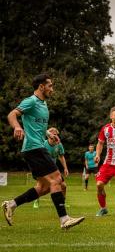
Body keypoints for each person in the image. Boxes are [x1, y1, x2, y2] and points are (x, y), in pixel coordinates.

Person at [2, 73, 84, 229]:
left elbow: (38, 126)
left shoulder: (44, 104)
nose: (52, 89)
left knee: (43, 187)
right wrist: (17, 127)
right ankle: (64, 219)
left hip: (36, 147)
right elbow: (12, 114)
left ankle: (11, 204)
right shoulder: (31, 101)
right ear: (41, 86)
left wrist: (48, 134)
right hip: (34, 148)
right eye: (50, 85)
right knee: (57, 180)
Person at [33, 127, 69, 209]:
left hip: (53, 169)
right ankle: (36, 200)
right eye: (53, 134)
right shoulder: (43, 144)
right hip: (43, 168)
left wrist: (65, 168)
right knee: (40, 186)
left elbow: (61, 157)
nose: (55, 136)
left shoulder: (59, 144)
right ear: (49, 136)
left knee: (63, 186)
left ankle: (62, 203)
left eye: (56, 134)